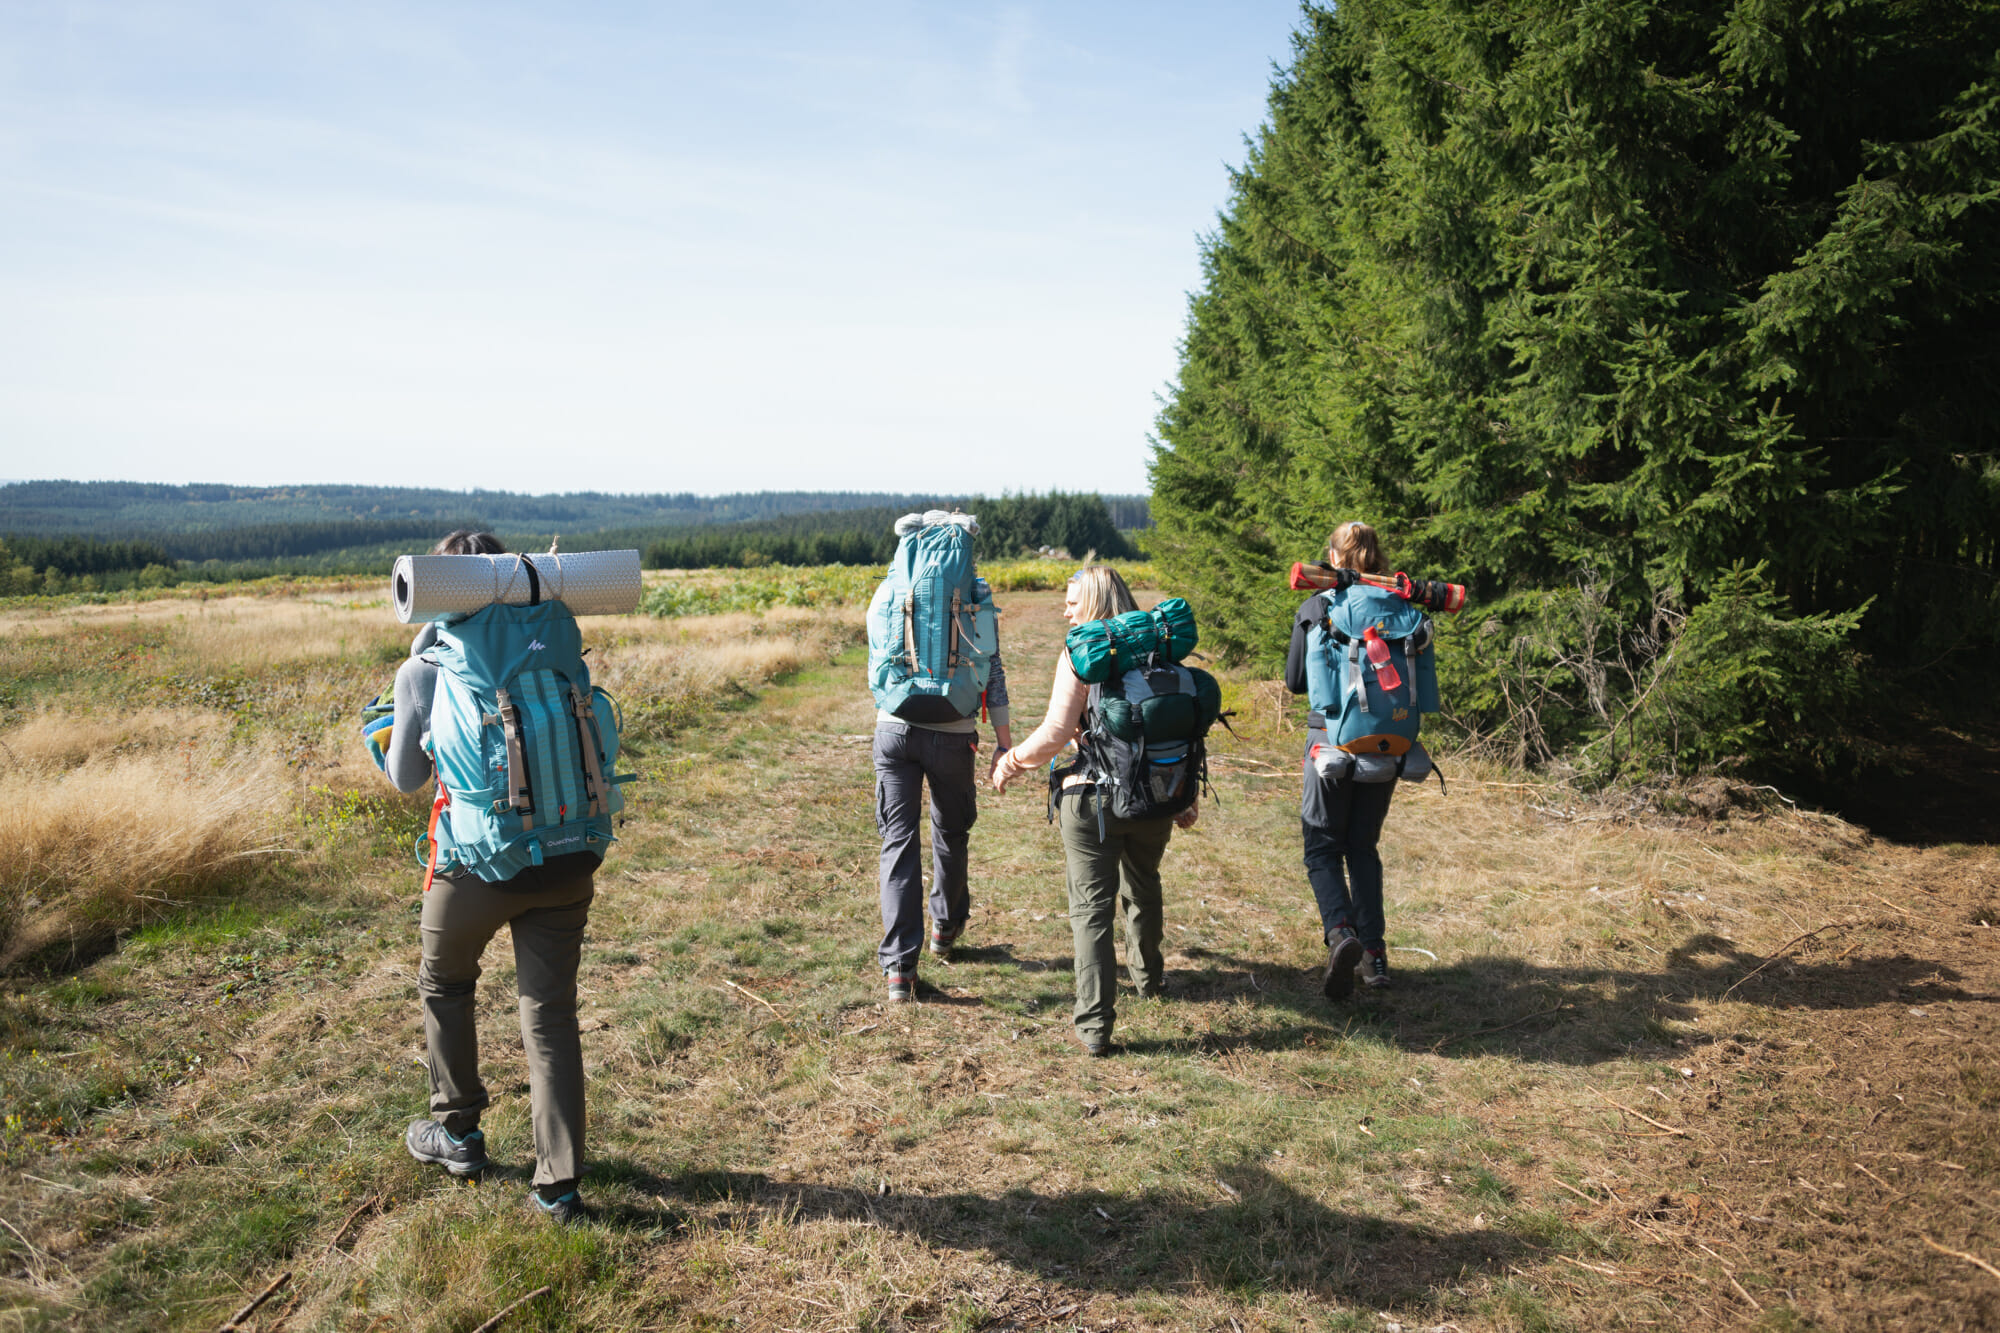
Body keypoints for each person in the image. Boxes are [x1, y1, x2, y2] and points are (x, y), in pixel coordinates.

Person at [382, 529, 599, 1223]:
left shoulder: (426, 668)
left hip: (476, 865)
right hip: (566, 851)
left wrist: (395, 712)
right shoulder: (558, 647)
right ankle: (558, 1186)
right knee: (551, 1014)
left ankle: (458, 1131)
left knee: (445, 982)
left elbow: (406, 778)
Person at [992, 567, 1198, 1056]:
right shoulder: (1158, 649)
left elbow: (1057, 732)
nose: (1065, 611)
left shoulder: (1083, 651)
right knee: (1144, 885)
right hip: (1154, 797)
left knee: (1091, 911)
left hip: (1093, 801)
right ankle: (1150, 982)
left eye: (1072, 601)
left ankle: (1094, 1027)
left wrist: (1011, 762)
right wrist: (1183, 797)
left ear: (1094, 603)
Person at [872, 572, 1012, 1005]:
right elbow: (993, 670)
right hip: (954, 733)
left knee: (899, 840)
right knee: (951, 832)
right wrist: (1003, 744)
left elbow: (876, 658)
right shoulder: (975, 594)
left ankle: (900, 969)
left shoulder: (889, 588)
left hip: (894, 730)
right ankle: (945, 928)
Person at [1287, 520, 1399, 996]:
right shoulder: (1401, 603)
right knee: (1363, 847)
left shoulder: (1318, 604)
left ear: (1332, 559)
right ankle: (1374, 958)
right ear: (1377, 559)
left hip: (1329, 740)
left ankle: (1341, 934)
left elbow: (1296, 680)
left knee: (1321, 846)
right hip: (1387, 742)